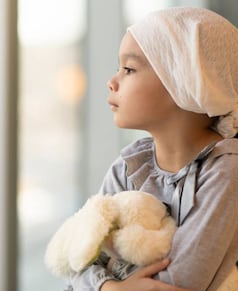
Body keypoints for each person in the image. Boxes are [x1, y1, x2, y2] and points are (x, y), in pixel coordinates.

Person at [66, 7, 238, 291]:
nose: (112, 81)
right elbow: (74, 255)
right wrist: (110, 288)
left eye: (129, 69)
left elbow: (180, 283)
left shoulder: (227, 170)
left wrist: (104, 276)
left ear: (185, 81)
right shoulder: (131, 163)